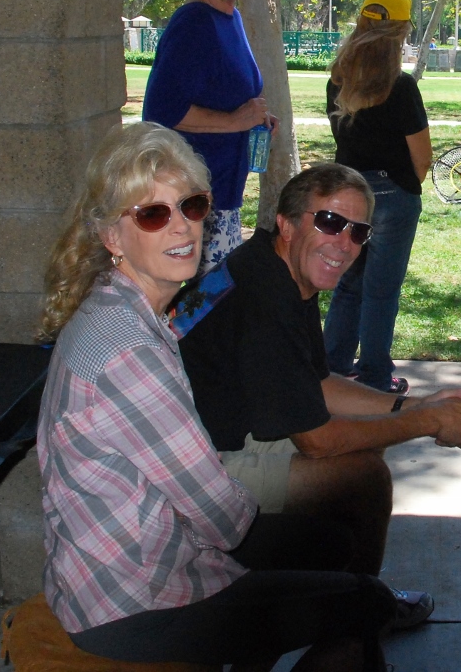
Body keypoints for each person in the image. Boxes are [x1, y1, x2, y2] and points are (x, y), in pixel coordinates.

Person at [36, 123, 393, 669]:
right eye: (153, 214)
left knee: (327, 545)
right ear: (112, 237)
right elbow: (224, 521)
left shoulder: (121, 307)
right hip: (136, 601)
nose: (181, 228)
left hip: (138, 559)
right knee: (363, 605)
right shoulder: (129, 351)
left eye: (192, 206)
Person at [171, 163, 461, 629]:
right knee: (366, 477)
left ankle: (332, 588)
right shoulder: (266, 297)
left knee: (368, 442)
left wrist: (414, 405)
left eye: (358, 232)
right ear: (287, 223)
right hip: (197, 469)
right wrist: (429, 423)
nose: (344, 244)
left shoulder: (274, 265)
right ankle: (360, 613)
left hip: (216, 431)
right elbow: (316, 441)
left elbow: (318, 381)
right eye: (330, 222)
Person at [143, 0, 276, 274]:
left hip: (224, 196)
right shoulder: (194, 23)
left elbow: (223, 93)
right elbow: (160, 112)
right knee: (201, 310)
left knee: (216, 309)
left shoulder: (230, 17)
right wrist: (234, 121)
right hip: (193, 203)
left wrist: (255, 119)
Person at [322, 0, 431, 395]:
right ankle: (374, 377)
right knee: (382, 291)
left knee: (349, 284)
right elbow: (421, 158)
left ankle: (332, 367)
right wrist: (403, 189)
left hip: (349, 192)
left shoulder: (338, 79)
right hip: (392, 196)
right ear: (401, 30)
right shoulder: (400, 86)